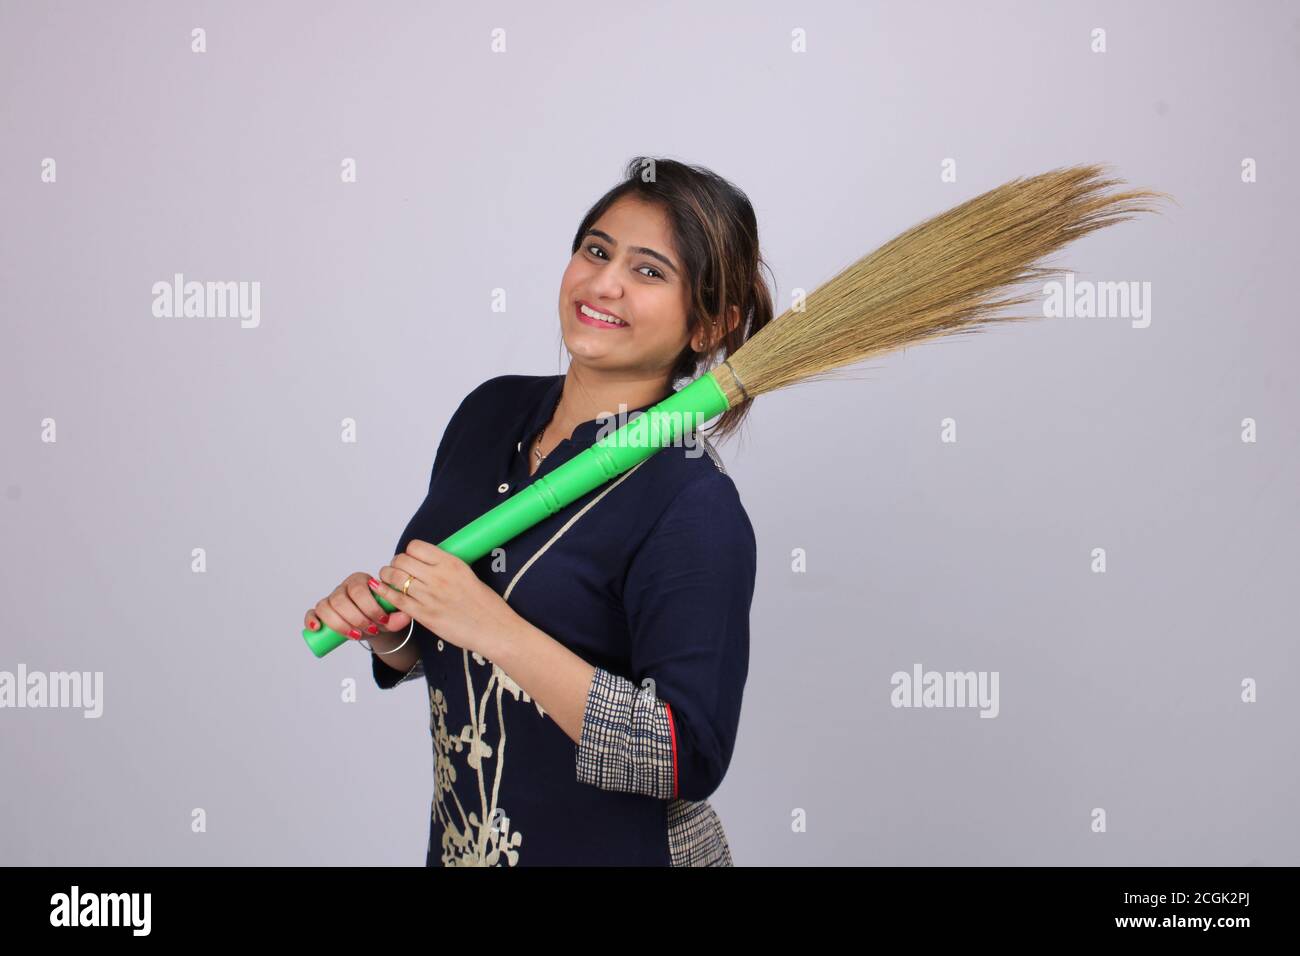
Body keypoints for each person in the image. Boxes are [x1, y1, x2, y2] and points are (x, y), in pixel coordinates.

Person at [304, 156, 774, 866]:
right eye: (596, 249)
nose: (604, 282)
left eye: (649, 271)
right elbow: (452, 651)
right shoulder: (489, 412)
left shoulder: (693, 504)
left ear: (710, 326)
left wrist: (492, 627)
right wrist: (393, 632)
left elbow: (687, 757)